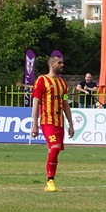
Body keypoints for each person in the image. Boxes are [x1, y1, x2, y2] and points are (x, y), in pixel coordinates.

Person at [31, 55, 76, 192]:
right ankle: (49, 180)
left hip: (59, 123)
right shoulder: (41, 80)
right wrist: (34, 124)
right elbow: (36, 102)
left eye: (62, 62)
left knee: (55, 151)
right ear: (51, 65)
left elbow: (65, 103)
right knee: (55, 147)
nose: (62, 65)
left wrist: (71, 123)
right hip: (47, 121)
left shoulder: (63, 83)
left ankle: (51, 181)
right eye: (59, 62)